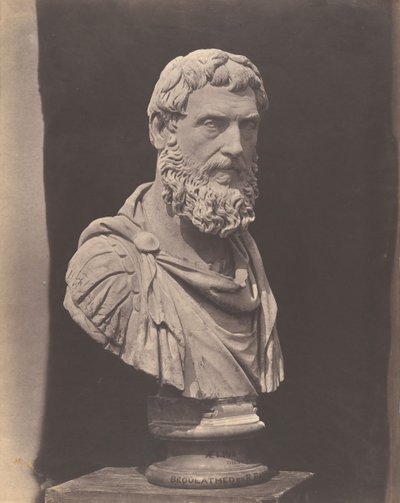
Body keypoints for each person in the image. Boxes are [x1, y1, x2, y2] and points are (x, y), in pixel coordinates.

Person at [64, 49, 284, 400]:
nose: (236, 147)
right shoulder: (109, 271)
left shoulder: (252, 269)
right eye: (213, 124)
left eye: (248, 126)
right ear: (160, 130)